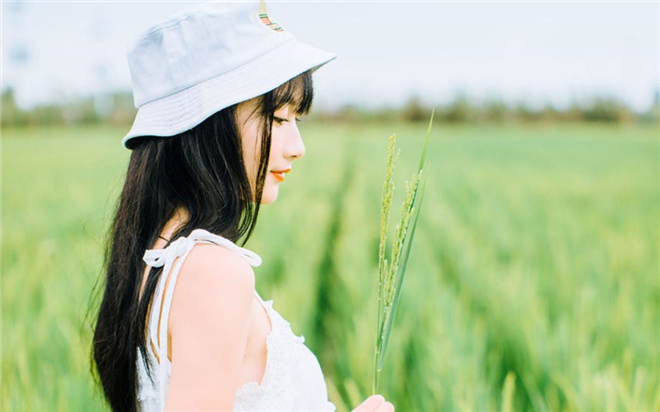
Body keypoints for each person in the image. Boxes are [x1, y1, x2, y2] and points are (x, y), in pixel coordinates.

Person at [90, 1, 395, 411]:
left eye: (297, 120)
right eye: (278, 118)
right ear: (209, 123)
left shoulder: (152, 256)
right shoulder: (213, 272)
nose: (297, 147)